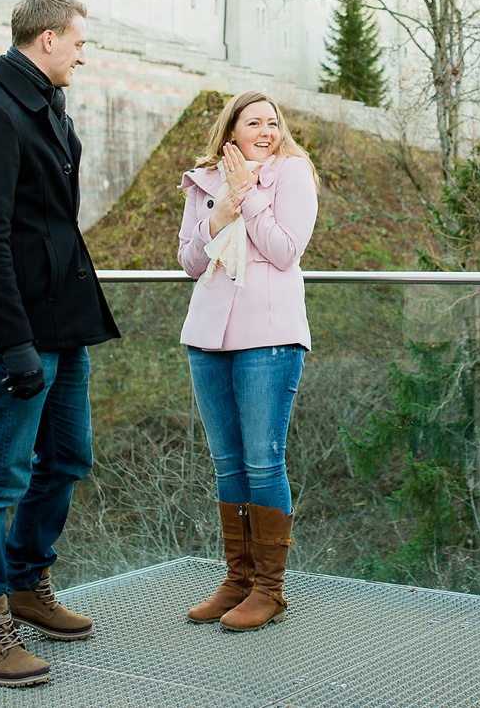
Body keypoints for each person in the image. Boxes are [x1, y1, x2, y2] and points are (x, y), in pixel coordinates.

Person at [0, 0, 119, 688]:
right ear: (46, 40)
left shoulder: (46, 107)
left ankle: (26, 580)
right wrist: (15, 345)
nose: (85, 52)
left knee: (68, 457)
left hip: (63, 320)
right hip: (15, 330)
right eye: (79, 41)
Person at [176, 90, 318, 631]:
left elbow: (285, 251)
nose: (265, 130)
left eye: (273, 122)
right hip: (208, 338)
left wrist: (249, 194)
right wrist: (219, 212)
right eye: (253, 122)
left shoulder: (293, 172)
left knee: (263, 462)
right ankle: (236, 580)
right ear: (230, 131)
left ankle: (269, 589)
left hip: (269, 338)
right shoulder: (203, 180)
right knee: (228, 464)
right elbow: (190, 261)